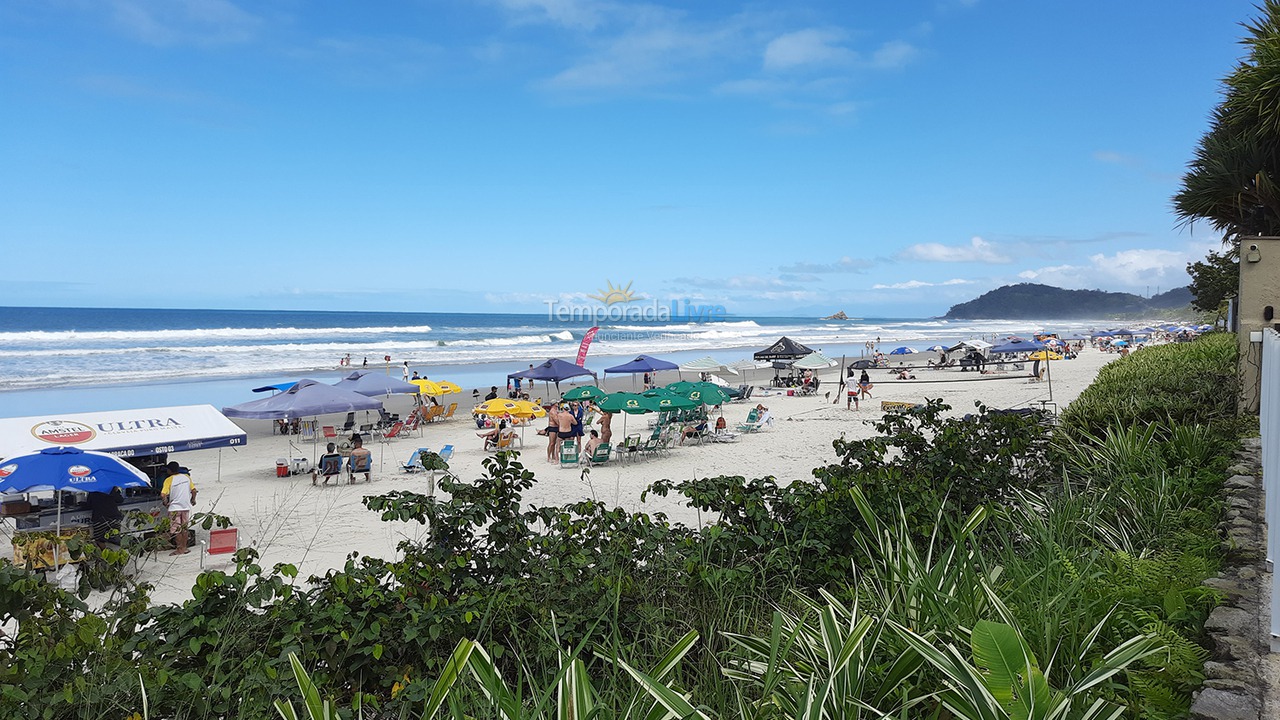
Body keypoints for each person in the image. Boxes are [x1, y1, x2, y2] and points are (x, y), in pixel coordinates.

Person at [161, 461, 196, 556]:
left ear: (170, 470)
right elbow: (193, 491)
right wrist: (193, 500)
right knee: (184, 528)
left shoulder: (168, 480)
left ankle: (179, 549)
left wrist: (165, 503)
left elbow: (163, 494)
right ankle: (184, 548)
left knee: (176, 529)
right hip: (185, 506)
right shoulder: (186, 477)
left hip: (174, 508)